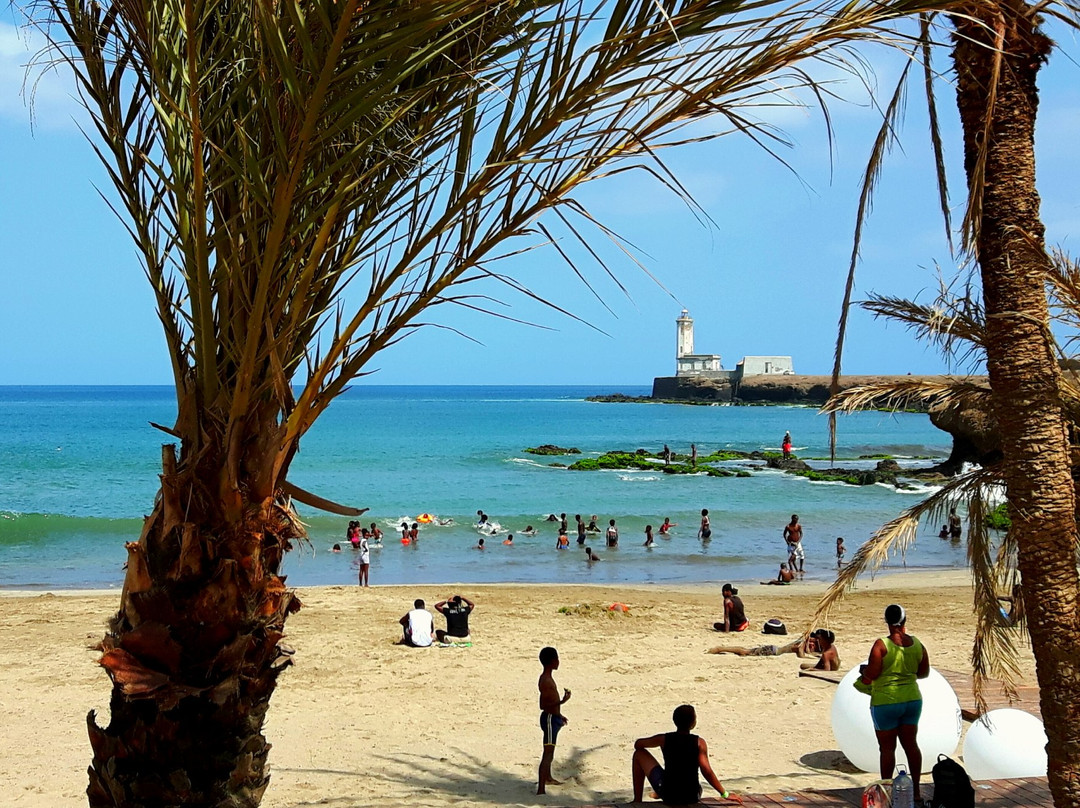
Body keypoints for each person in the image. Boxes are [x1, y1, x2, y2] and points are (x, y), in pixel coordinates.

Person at [857, 604, 930, 803]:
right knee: (911, 745)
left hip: (885, 702)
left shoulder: (881, 645)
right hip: (912, 700)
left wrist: (863, 676)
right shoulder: (917, 644)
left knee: (887, 749)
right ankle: (915, 793)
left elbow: (872, 674)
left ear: (887, 622)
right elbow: (923, 673)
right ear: (905, 621)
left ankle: (886, 794)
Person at [631, 704, 740, 805]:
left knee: (638, 754)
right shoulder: (699, 743)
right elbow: (706, 771)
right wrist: (724, 794)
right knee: (695, 784)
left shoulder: (664, 739)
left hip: (670, 795)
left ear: (674, 721)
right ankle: (658, 791)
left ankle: (637, 800)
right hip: (691, 795)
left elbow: (638, 745)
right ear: (693, 723)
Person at [707, 628, 840, 671]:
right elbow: (800, 653)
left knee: (746, 652)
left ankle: (721, 648)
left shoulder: (816, 646)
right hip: (773, 651)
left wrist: (812, 656)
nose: (814, 643)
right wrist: (808, 655)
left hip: (775, 652)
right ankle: (720, 648)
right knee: (744, 652)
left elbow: (810, 653)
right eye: (813, 640)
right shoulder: (802, 642)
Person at [537, 646, 571, 794]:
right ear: (552, 661)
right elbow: (543, 705)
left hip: (553, 717)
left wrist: (559, 715)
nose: (559, 662)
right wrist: (562, 702)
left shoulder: (547, 678)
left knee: (550, 751)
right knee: (548, 753)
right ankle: (541, 789)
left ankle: (548, 778)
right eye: (557, 659)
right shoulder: (546, 681)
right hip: (549, 719)